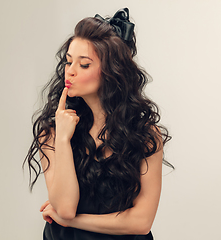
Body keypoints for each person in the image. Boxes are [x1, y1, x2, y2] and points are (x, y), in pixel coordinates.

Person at [24, 7, 173, 240]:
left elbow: (142, 222)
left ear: (112, 73)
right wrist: (63, 138)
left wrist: (73, 221)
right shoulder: (53, 133)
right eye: (68, 61)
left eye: (84, 65)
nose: (69, 72)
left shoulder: (144, 136)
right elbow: (65, 208)